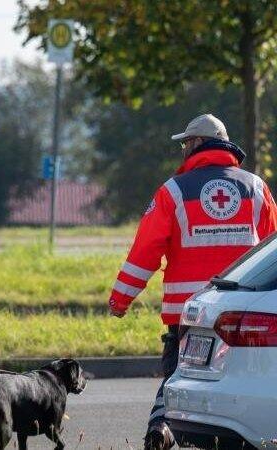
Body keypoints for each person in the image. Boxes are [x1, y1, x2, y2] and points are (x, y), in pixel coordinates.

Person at [107, 113, 277, 450]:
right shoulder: (256, 187)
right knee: (229, 385)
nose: (183, 148)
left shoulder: (173, 191)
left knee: (181, 378)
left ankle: (162, 428)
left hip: (190, 313)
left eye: (186, 142)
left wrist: (120, 300)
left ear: (198, 143)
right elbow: (272, 249)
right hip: (240, 310)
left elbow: (145, 251)